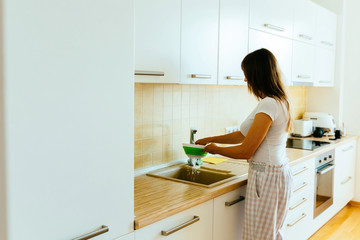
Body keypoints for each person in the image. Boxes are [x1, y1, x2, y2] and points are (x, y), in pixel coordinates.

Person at [195, 48, 293, 240]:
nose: (245, 80)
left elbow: (246, 150)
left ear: (257, 74)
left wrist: (215, 150)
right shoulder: (279, 101)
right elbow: (242, 135)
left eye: (247, 75)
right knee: (270, 235)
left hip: (266, 177)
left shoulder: (269, 104)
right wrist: (210, 140)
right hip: (275, 173)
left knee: (259, 237)